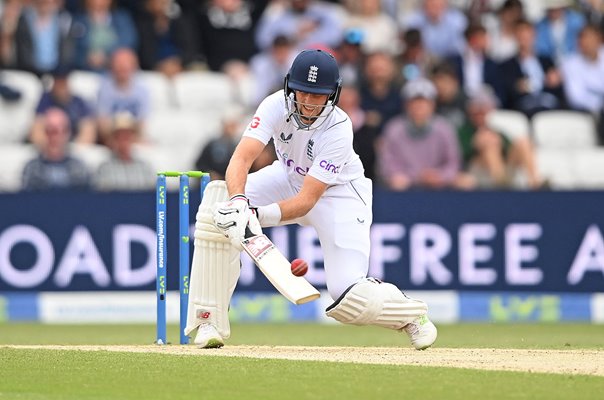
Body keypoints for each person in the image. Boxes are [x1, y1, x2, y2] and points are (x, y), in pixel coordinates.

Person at [184, 49, 438, 350]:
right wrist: (239, 202)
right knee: (219, 204)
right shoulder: (274, 105)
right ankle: (208, 321)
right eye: (302, 92)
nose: (307, 102)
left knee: (349, 297)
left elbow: (307, 200)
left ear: (333, 95)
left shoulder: (340, 129)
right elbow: (240, 159)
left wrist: (255, 215)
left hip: (339, 196)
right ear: (290, 86)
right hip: (287, 176)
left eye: (318, 95)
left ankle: (411, 315)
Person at [377, 78, 474, 191]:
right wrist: (416, 176)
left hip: (439, 185)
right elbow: (387, 165)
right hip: (406, 186)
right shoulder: (394, 129)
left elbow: (454, 162)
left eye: (424, 102)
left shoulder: (444, 128)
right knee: (397, 182)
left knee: (466, 181)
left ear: (432, 105)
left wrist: (441, 175)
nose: (419, 106)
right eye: (414, 102)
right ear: (406, 105)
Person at [22, 107, 91, 191]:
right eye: (49, 131)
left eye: (57, 132)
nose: (53, 138)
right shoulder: (32, 169)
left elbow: (86, 200)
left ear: (68, 133)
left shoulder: (79, 169)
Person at [30, 65, 97, 146]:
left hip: (73, 147)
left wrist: (75, 149)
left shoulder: (78, 102)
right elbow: (37, 130)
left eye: (63, 81)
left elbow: (88, 129)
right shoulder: (45, 100)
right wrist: (51, 148)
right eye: (58, 81)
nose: (61, 85)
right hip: (49, 148)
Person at [93, 112, 155, 191]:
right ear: (113, 139)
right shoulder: (104, 169)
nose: (123, 140)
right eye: (119, 135)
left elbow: (153, 196)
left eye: (127, 135)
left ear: (133, 137)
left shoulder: (144, 168)